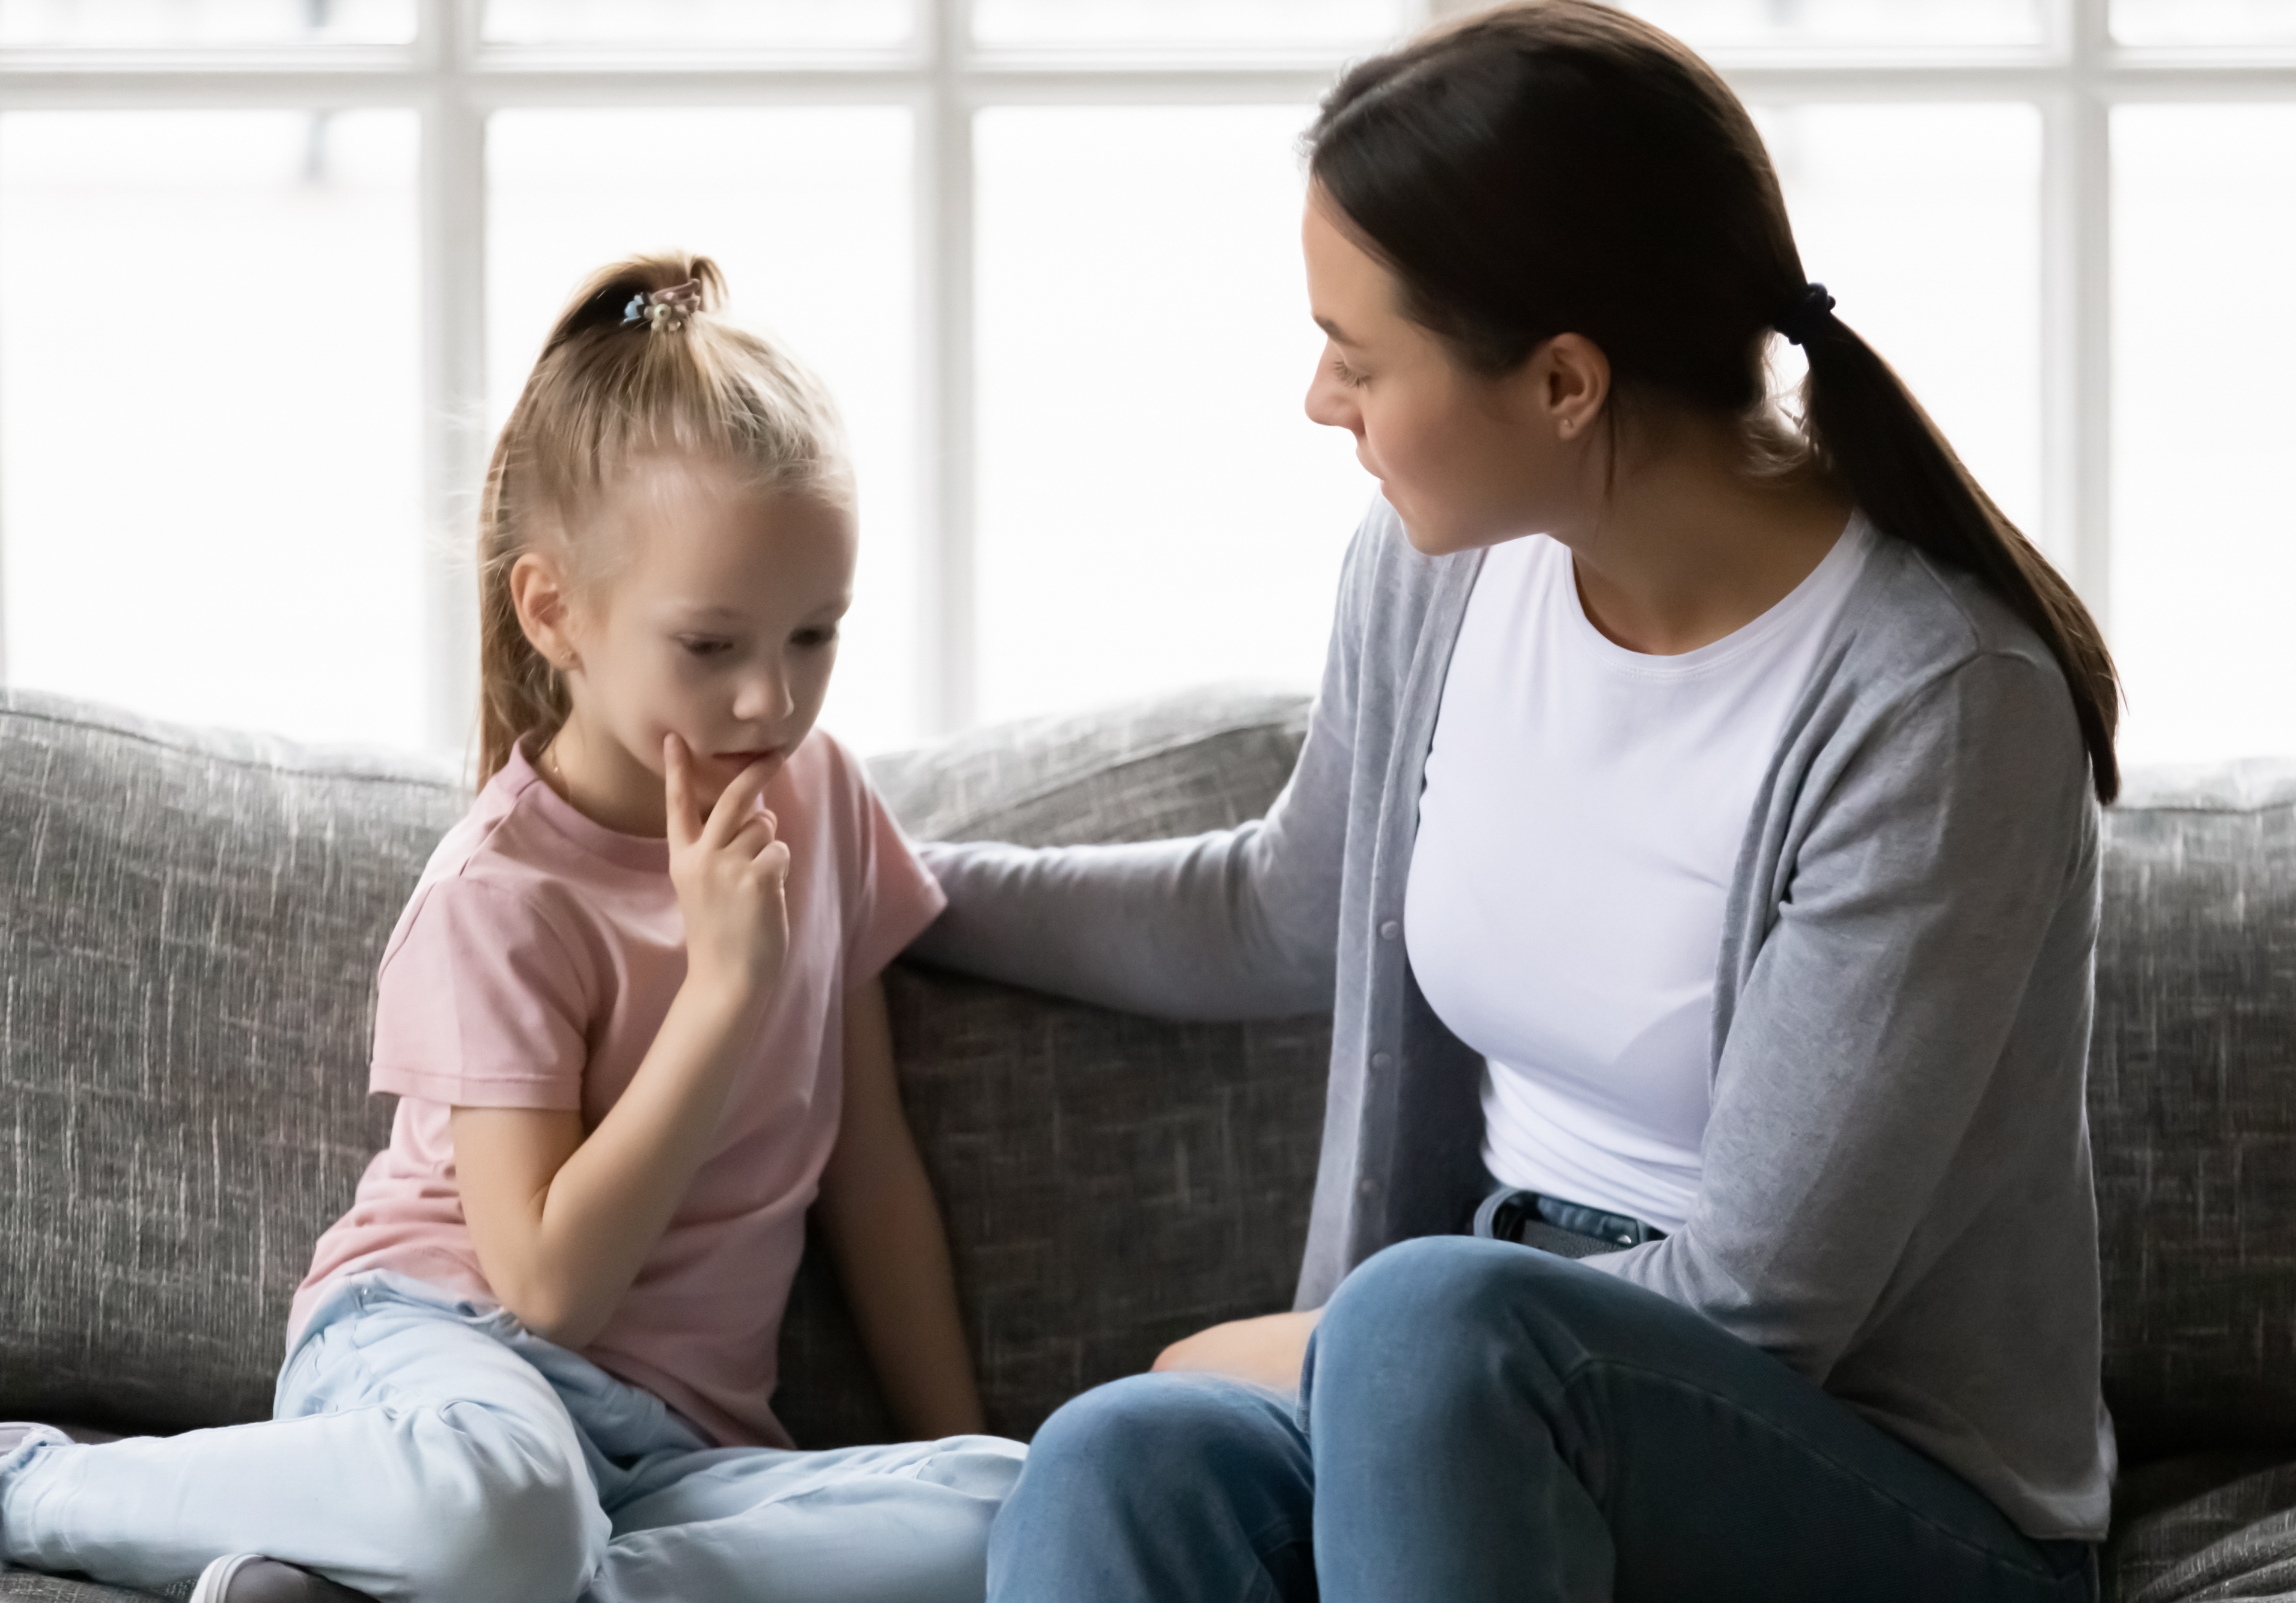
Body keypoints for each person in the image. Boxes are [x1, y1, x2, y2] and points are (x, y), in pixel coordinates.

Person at [910, 4, 2119, 1600]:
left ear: (1562, 380)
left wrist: (1325, 1344)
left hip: (1877, 1489)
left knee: (1425, 1323)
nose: (1317, 400)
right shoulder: (1437, 583)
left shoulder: (1932, 705)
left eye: (1357, 355)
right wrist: (888, 878)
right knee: (1122, 1458)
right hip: (1473, 1392)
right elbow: (1284, 906)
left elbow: (1763, 1307)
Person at [0, 255, 1022, 1603]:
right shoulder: (500, 893)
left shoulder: (818, 801)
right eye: (710, 646)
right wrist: (723, 994)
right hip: (440, 1362)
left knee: (1015, 1496)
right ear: (557, 612)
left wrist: (945, 1433)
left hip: (668, 1458)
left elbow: (870, 1167)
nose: (771, 701)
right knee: (509, 1504)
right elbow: (547, 1285)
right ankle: (36, 1481)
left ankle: (456, 1587)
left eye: (814, 635)